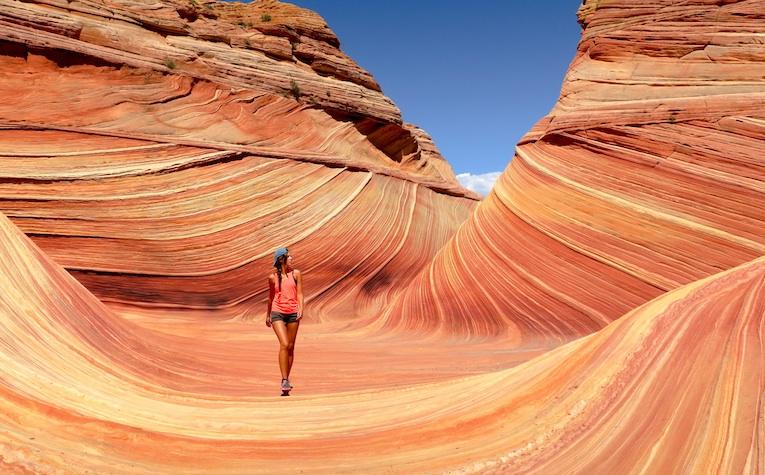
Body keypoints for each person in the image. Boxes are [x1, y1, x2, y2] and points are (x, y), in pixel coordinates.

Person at [266, 247, 303, 394]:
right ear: (282, 259)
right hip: (277, 313)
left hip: (293, 312)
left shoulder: (296, 274)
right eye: (289, 257)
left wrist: (301, 308)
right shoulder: (272, 277)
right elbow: (270, 297)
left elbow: (300, 294)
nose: (292, 259)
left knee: (291, 347)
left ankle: (286, 379)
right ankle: (284, 380)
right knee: (285, 343)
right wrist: (268, 315)